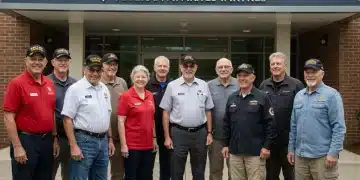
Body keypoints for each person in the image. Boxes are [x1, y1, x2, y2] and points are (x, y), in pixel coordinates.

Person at [2, 44, 59, 180]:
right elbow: (8, 118)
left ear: (45, 62)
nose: (37, 62)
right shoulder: (17, 83)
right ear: (26, 60)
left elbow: (51, 112)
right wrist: (17, 146)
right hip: (26, 141)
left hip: (46, 141)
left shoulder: (49, 84)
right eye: (33, 59)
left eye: (40, 59)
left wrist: (55, 137)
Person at [287, 59, 346, 180]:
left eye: (313, 72)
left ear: (322, 74)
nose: (310, 75)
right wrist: (291, 149)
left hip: (322, 158)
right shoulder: (299, 96)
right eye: (307, 72)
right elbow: (293, 126)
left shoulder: (332, 95)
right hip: (301, 158)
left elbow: (339, 127)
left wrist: (333, 153)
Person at [160, 55, 214, 180]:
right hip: (178, 133)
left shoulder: (204, 85)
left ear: (196, 67)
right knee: (176, 172)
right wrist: (167, 137)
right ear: (180, 67)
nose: (188, 69)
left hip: (200, 133)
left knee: (199, 172)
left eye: (191, 66)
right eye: (185, 65)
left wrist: (209, 133)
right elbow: (166, 112)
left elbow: (208, 110)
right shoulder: (172, 86)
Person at [61, 54, 115, 180]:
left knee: (100, 178)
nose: (95, 73)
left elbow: (107, 115)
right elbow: (67, 119)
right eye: (91, 70)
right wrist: (73, 146)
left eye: (98, 70)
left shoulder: (104, 89)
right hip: (83, 141)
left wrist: (110, 139)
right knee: (79, 177)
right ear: (84, 70)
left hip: (103, 141)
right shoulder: (75, 89)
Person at [222, 63, 276, 180]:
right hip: (235, 152)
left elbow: (270, 124)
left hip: (256, 153)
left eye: (246, 75)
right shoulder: (232, 97)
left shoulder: (262, 97)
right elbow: (226, 123)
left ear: (253, 78)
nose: (242, 78)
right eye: (240, 76)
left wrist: (266, 146)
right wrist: (225, 145)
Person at [259, 52, 304, 180]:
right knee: (271, 176)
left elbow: (302, 113)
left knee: (291, 176)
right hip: (271, 143)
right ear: (269, 67)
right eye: (272, 64)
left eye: (278, 63)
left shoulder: (296, 85)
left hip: (289, 143)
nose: (275, 66)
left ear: (284, 66)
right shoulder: (264, 85)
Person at [118, 65, 157, 180]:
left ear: (147, 79)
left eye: (143, 77)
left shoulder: (150, 95)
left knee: (146, 176)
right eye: (138, 77)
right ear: (132, 78)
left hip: (148, 145)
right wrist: (124, 145)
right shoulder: (126, 96)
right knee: (131, 176)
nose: (140, 79)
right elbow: (121, 121)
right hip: (132, 145)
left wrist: (154, 138)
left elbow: (152, 118)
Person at [207, 58, 238, 180]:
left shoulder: (239, 84)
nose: (223, 69)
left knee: (235, 172)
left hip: (235, 137)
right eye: (220, 67)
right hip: (216, 137)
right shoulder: (209, 86)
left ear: (231, 69)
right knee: (215, 170)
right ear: (216, 69)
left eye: (226, 67)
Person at [48, 48, 77, 180]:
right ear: (53, 62)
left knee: (70, 175)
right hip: (51, 137)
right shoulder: (45, 82)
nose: (63, 63)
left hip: (70, 136)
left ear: (70, 62)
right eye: (59, 60)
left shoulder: (75, 84)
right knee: (48, 173)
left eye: (65, 60)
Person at [101, 53, 128, 180]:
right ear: (103, 65)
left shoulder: (122, 82)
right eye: (108, 64)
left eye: (114, 64)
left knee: (118, 173)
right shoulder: (97, 82)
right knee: (98, 172)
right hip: (100, 137)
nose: (112, 67)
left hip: (118, 137)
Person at [146, 56, 171, 180]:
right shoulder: (146, 85)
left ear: (169, 68)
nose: (162, 68)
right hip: (150, 132)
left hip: (169, 132)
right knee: (148, 166)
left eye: (165, 66)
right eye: (159, 66)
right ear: (154, 67)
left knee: (167, 166)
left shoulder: (173, 85)